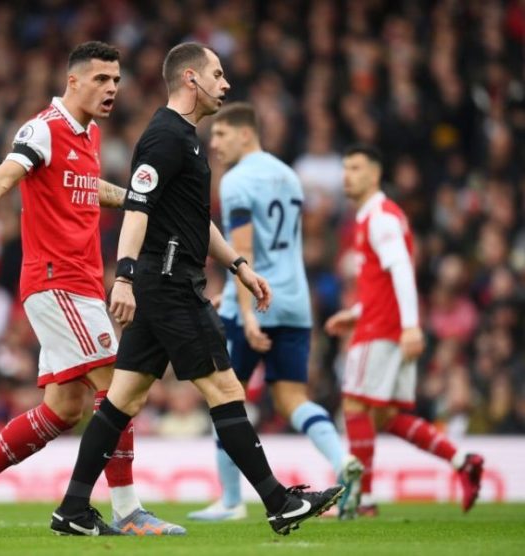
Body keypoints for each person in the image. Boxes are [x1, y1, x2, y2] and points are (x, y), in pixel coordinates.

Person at [48, 42, 344, 538]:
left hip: (165, 279)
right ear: (191, 79)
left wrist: (241, 267)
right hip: (168, 281)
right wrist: (122, 275)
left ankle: (72, 508)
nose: (226, 84)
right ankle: (278, 501)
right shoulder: (164, 138)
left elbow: (193, 220)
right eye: (218, 74)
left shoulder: (186, 139)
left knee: (123, 398)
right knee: (225, 388)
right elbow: (138, 209)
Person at [0, 41, 184, 537]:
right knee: (121, 384)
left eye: (116, 80)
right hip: (57, 280)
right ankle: (128, 511)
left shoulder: (89, 135)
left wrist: (140, 200)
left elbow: (95, 192)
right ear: (74, 81)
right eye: (101, 80)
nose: (112, 88)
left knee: (65, 408)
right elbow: (8, 172)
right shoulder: (43, 128)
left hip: (81, 282)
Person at [187, 102, 363, 522]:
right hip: (295, 300)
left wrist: (244, 313)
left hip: (255, 297)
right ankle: (342, 461)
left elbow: (244, 251)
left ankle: (231, 501)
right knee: (291, 398)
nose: (214, 143)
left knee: (223, 395)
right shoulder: (290, 175)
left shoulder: (235, 182)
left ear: (246, 134)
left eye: (222, 135)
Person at [324, 145, 484, 516]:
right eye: (345, 168)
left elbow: (402, 272)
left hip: (382, 330)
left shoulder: (380, 216)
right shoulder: (373, 217)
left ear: (375, 174)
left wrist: (411, 326)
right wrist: (355, 312)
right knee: (386, 417)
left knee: (354, 404)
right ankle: (463, 461)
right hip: (381, 322)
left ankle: (361, 499)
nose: (348, 174)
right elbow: (383, 282)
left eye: (357, 167)